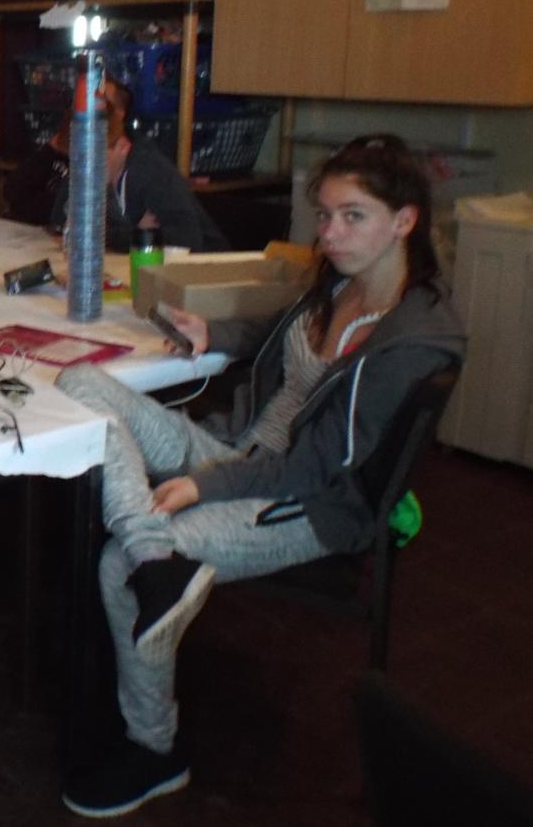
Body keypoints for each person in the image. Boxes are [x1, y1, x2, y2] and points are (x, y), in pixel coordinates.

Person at [54, 134, 465, 818]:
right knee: (80, 382)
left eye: (352, 216)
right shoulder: (340, 282)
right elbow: (276, 332)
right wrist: (212, 334)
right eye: (325, 215)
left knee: (114, 563)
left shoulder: (415, 337)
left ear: (404, 220)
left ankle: (154, 748)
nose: (329, 233)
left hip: (307, 502)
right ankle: (157, 557)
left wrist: (204, 485)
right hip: (237, 449)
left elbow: (319, 463)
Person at [47, 79, 229, 252]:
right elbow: (61, 224)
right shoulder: (94, 170)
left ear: (122, 147)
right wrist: (134, 233)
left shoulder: (151, 171)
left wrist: (110, 236)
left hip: (208, 265)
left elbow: (186, 239)